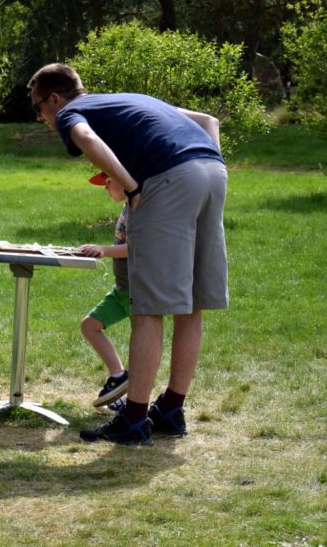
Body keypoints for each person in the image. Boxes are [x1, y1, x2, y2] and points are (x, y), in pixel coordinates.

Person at [29, 62, 228, 446]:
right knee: (192, 302)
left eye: (40, 109)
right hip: (211, 172)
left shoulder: (72, 111)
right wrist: (211, 163)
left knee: (148, 306)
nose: (43, 118)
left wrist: (131, 186)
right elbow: (208, 119)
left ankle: (134, 421)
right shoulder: (129, 98)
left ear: (54, 98)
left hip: (167, 179)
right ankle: (170, 409)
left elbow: (86, 139)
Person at [77, 171, 131, 413]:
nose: (105, 188)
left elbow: (138, 247)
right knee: (89, 325)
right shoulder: (128, 207)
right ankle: (119, 376)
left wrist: (103, 250)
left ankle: (136, 402)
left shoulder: (140, 209)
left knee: (143, 343)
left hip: (138, 291)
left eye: (108, 182)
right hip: (121, 289)